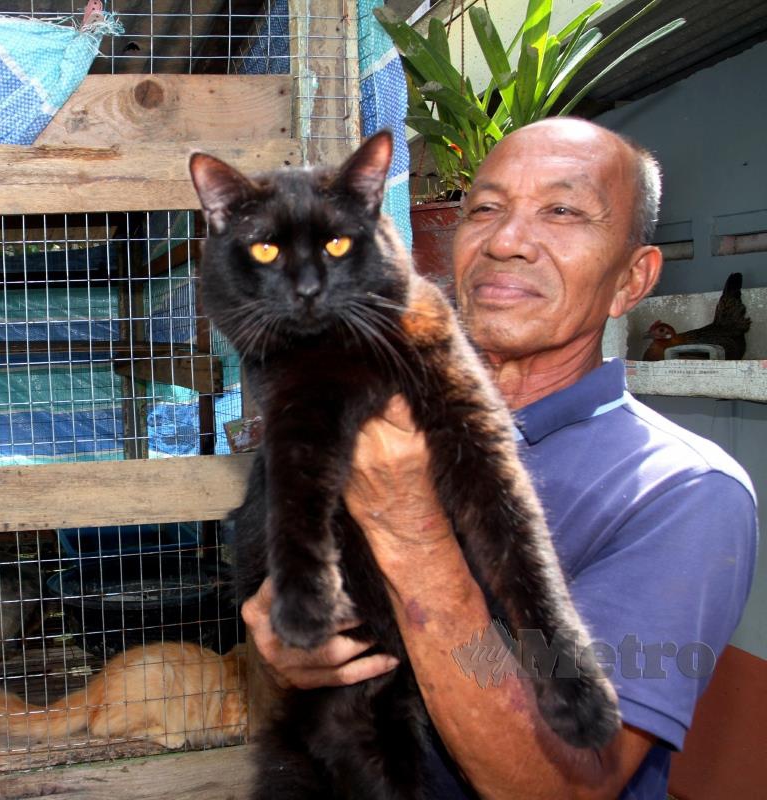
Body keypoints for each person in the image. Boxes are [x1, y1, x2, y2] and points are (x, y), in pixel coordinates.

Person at [241, 118, 758, 799]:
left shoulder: (685, 492)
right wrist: (282, 651)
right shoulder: (347, 401)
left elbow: (567, 785)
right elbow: (280, 660)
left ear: (633, 280)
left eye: (564, 211)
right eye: (484, 209)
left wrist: (407, 524)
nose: (507, 242)